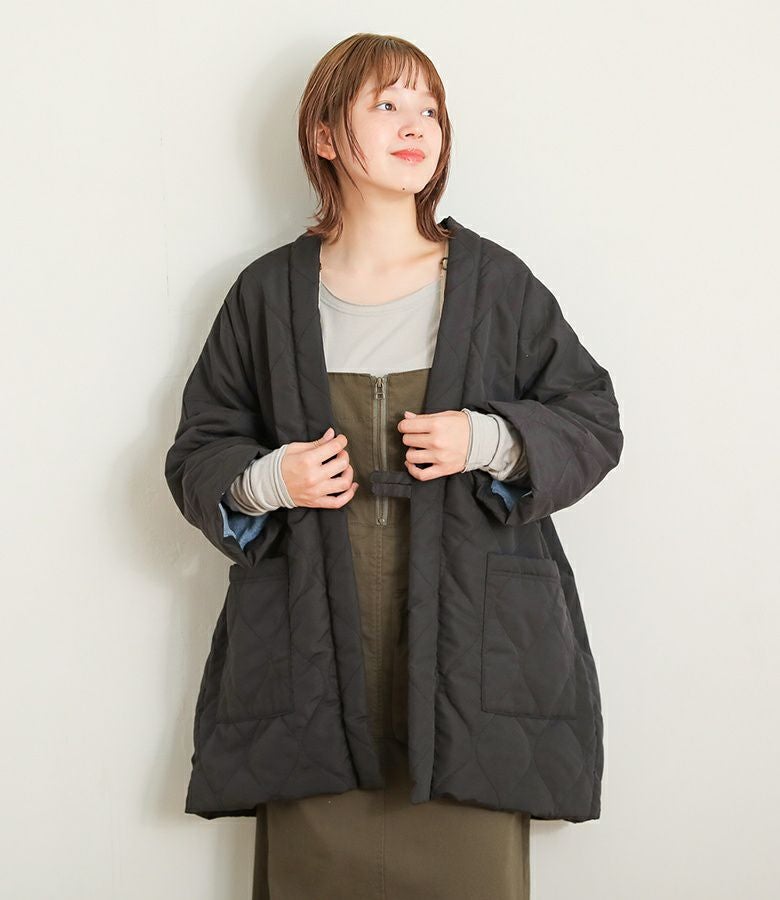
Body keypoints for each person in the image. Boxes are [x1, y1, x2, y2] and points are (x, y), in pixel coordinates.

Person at [165, 32, 623, 900]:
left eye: (430, 109)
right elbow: (200, 448)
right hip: (309, 663)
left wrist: (485, 440)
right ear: (325, 136)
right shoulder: (266, 294)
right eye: (387, 105)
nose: (417, 126)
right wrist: (271, 481)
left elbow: (592, 420)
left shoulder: (497, 285)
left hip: (471, 670)